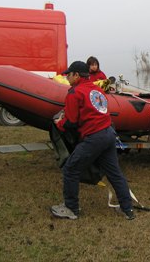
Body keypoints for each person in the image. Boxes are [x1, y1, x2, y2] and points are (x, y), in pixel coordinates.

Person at [51, 60, 135, 220]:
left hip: (94, 137)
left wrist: (58, 123)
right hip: (108, 133)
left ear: (76, 75)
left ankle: (71, 208)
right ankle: (127, 209)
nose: (67, 77)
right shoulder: (97, 89)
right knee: (115, 173)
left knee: (70, 169)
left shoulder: (74, 93)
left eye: (69, 74)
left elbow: (71, 123)